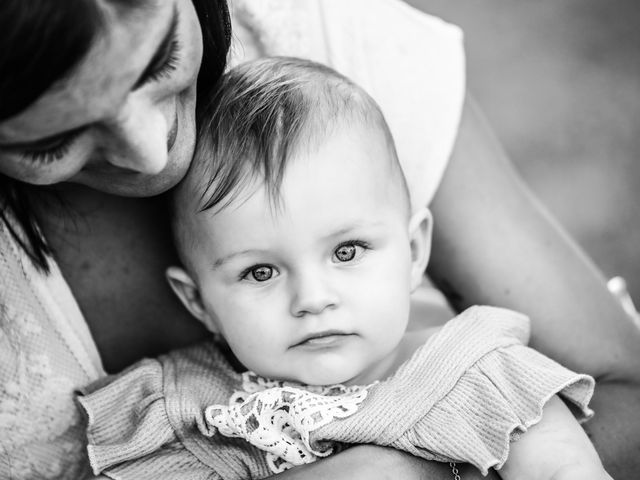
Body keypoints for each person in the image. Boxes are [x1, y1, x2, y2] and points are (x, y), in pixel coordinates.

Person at [0, 1, 638, 479]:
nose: (313, 299)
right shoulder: (177, 408)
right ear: (195, 301)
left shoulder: (478, 375)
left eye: (347, 252)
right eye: (258, 273)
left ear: (415, 250)